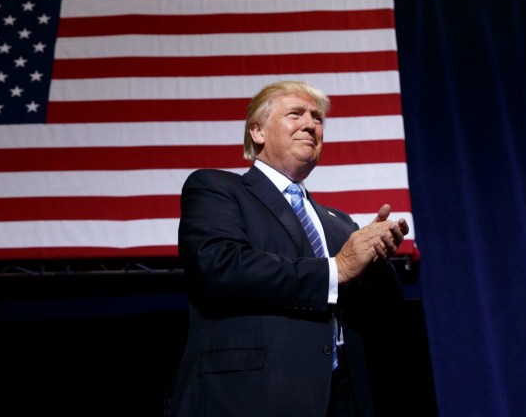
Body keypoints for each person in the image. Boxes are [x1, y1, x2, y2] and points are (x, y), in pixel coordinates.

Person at [165, 80, 409, 417]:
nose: (311, 124)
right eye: (296, 114)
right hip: (251, 396)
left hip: (342, 397)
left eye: (317, 118)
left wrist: (376, 261)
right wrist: (335, 270)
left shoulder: (341, 224)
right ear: (258, 132)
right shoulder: (217, 188)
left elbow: (385, 315)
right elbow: (220, 266)